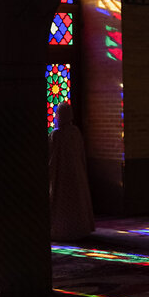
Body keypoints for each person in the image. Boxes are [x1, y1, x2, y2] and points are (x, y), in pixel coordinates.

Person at [49, 102, 95, 241]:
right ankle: (79, 228)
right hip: (76, 175)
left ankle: (61, 230)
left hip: (60, 176)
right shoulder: (75, 132)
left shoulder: (56, 135)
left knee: (61, 202)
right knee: (77, 200)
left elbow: (50, 157)